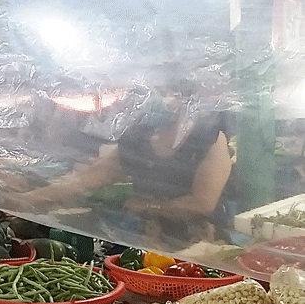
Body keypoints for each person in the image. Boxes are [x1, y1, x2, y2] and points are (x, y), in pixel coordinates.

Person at [18, 88, 234, 247]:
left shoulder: (208, 138)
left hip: (203, 245)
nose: (155, 99)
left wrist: (149, 207)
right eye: (152, 92)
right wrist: (30, 198)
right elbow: (86, 178)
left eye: (164, 92)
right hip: (152, 241)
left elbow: (203, 203)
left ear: (183, 100)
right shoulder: (138, 138)